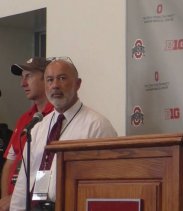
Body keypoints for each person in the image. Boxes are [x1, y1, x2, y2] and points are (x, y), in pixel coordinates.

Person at [9, 57, 117, 211]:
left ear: (78, 84)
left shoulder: (97, 125)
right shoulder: (39, 127)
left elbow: (110, 182)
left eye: (62, 78)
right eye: (50, 80)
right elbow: (23, 182)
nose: (55, 86)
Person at [0, 58, 54, 211]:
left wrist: (21, 197)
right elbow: (10, 162)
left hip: (35, 204)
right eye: (21, 77)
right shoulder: (24, 119)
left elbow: (48, 165)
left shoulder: (57, 117)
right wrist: (5, 198)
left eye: (28, 76)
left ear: (45, 79)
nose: (22, 83)